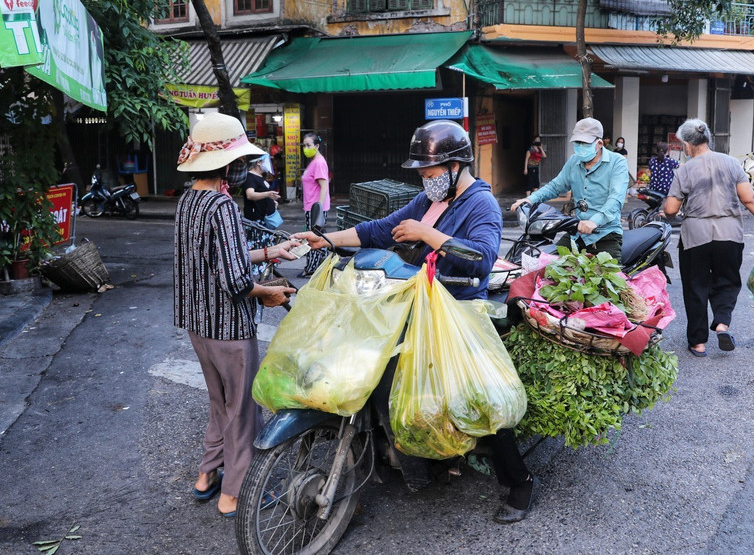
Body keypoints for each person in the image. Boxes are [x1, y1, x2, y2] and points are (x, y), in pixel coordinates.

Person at [293, 120, 536, 524]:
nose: (426, 180)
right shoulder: (427, 201)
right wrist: (330, 240)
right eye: (422, 174)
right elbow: (382, 230)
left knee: (481, 398)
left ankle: (520, 481)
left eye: (431, 173)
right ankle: (412, 453)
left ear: (457, 167)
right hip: (416, 303)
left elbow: (482, 257)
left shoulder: (481, 204)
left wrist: (430, 234)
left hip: (459, 310)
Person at [174, 113, 300, 518]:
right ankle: (235, 492)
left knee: (220, 403)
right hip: (229, 328)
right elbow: (235, 281)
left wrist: (269, 252)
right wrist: (270, 293)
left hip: (199, 325)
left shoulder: (188, 201)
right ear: (227, 164)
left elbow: (215, 259)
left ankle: (207, 476)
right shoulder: (223, 206)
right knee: (243, 409)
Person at [663, 119, 754, 358]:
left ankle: (698, 343)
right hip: (730, 236)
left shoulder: (684, 170)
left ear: (687, 145)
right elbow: (750, 200)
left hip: (695, 238)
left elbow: (671, 210)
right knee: (726, 282)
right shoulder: (731, 163)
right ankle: (722, 325)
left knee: (696, 287)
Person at [511, 118, 628, 262]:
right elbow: (555, 186)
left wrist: (594, 221)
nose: (579, 147)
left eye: (584, 143)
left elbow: (615, 199)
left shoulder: (617, 162)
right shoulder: (574, 161)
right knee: (546, 268)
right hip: (577, 232)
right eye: (577, 143)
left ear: (599, 144)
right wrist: (529, 199)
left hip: (605, 234)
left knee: (610, 281)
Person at [300, 133, 330, 276]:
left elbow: (324, 187)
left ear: (317, 146)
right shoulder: (313, 161)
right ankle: (319, 265)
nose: (305, 148)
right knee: (316, 237)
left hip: (315, 209)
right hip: (310, 207)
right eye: (304, 145)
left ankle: (311, 268)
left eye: (308, 145)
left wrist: (318, 208)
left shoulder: (318, 162)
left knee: (313, 238)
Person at [242, 154, 280, 225]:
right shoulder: (250, 177)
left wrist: (271, 202)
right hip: (256, 221)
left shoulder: (260, 177)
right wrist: (268, 194)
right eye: (266, 161)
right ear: (259, 162)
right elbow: (250, 195)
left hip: (263, 219)